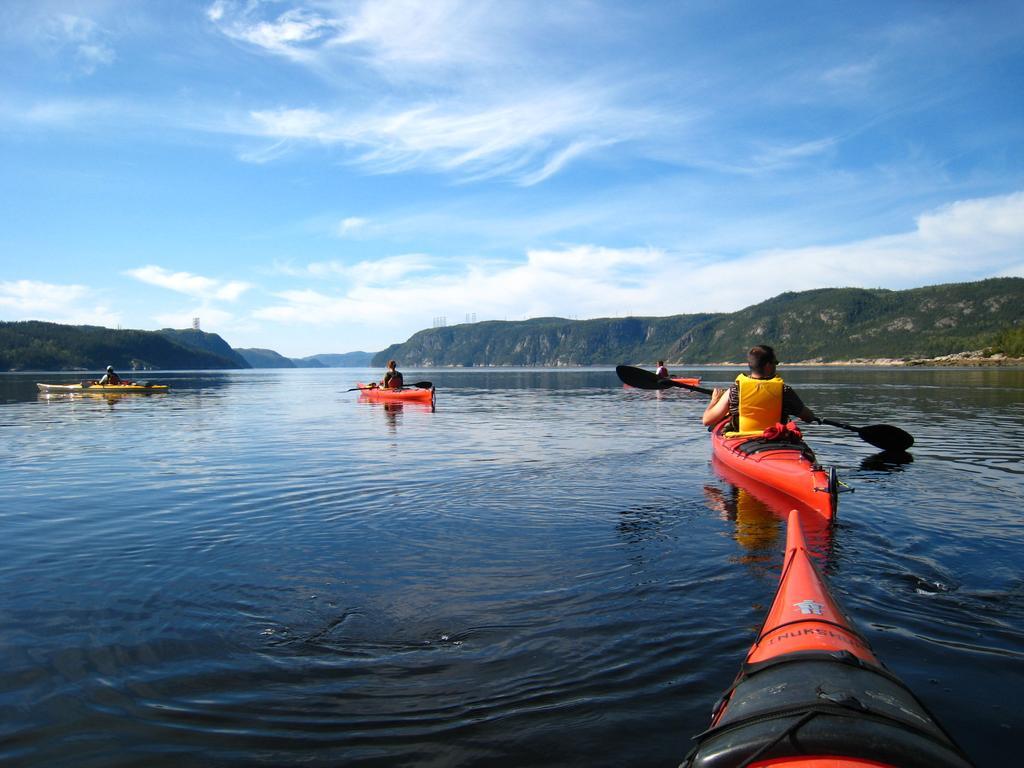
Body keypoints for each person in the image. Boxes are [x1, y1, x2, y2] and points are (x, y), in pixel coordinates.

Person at [702, 345, 818, 437]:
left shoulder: (734, 390)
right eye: (775, 363)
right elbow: (808, 417)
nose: (776, 366)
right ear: (768, 365)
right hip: (777, 438)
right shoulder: (784, 391)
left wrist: (714, 400)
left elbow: (707, 420)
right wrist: (808, 415)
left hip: (742, 439)